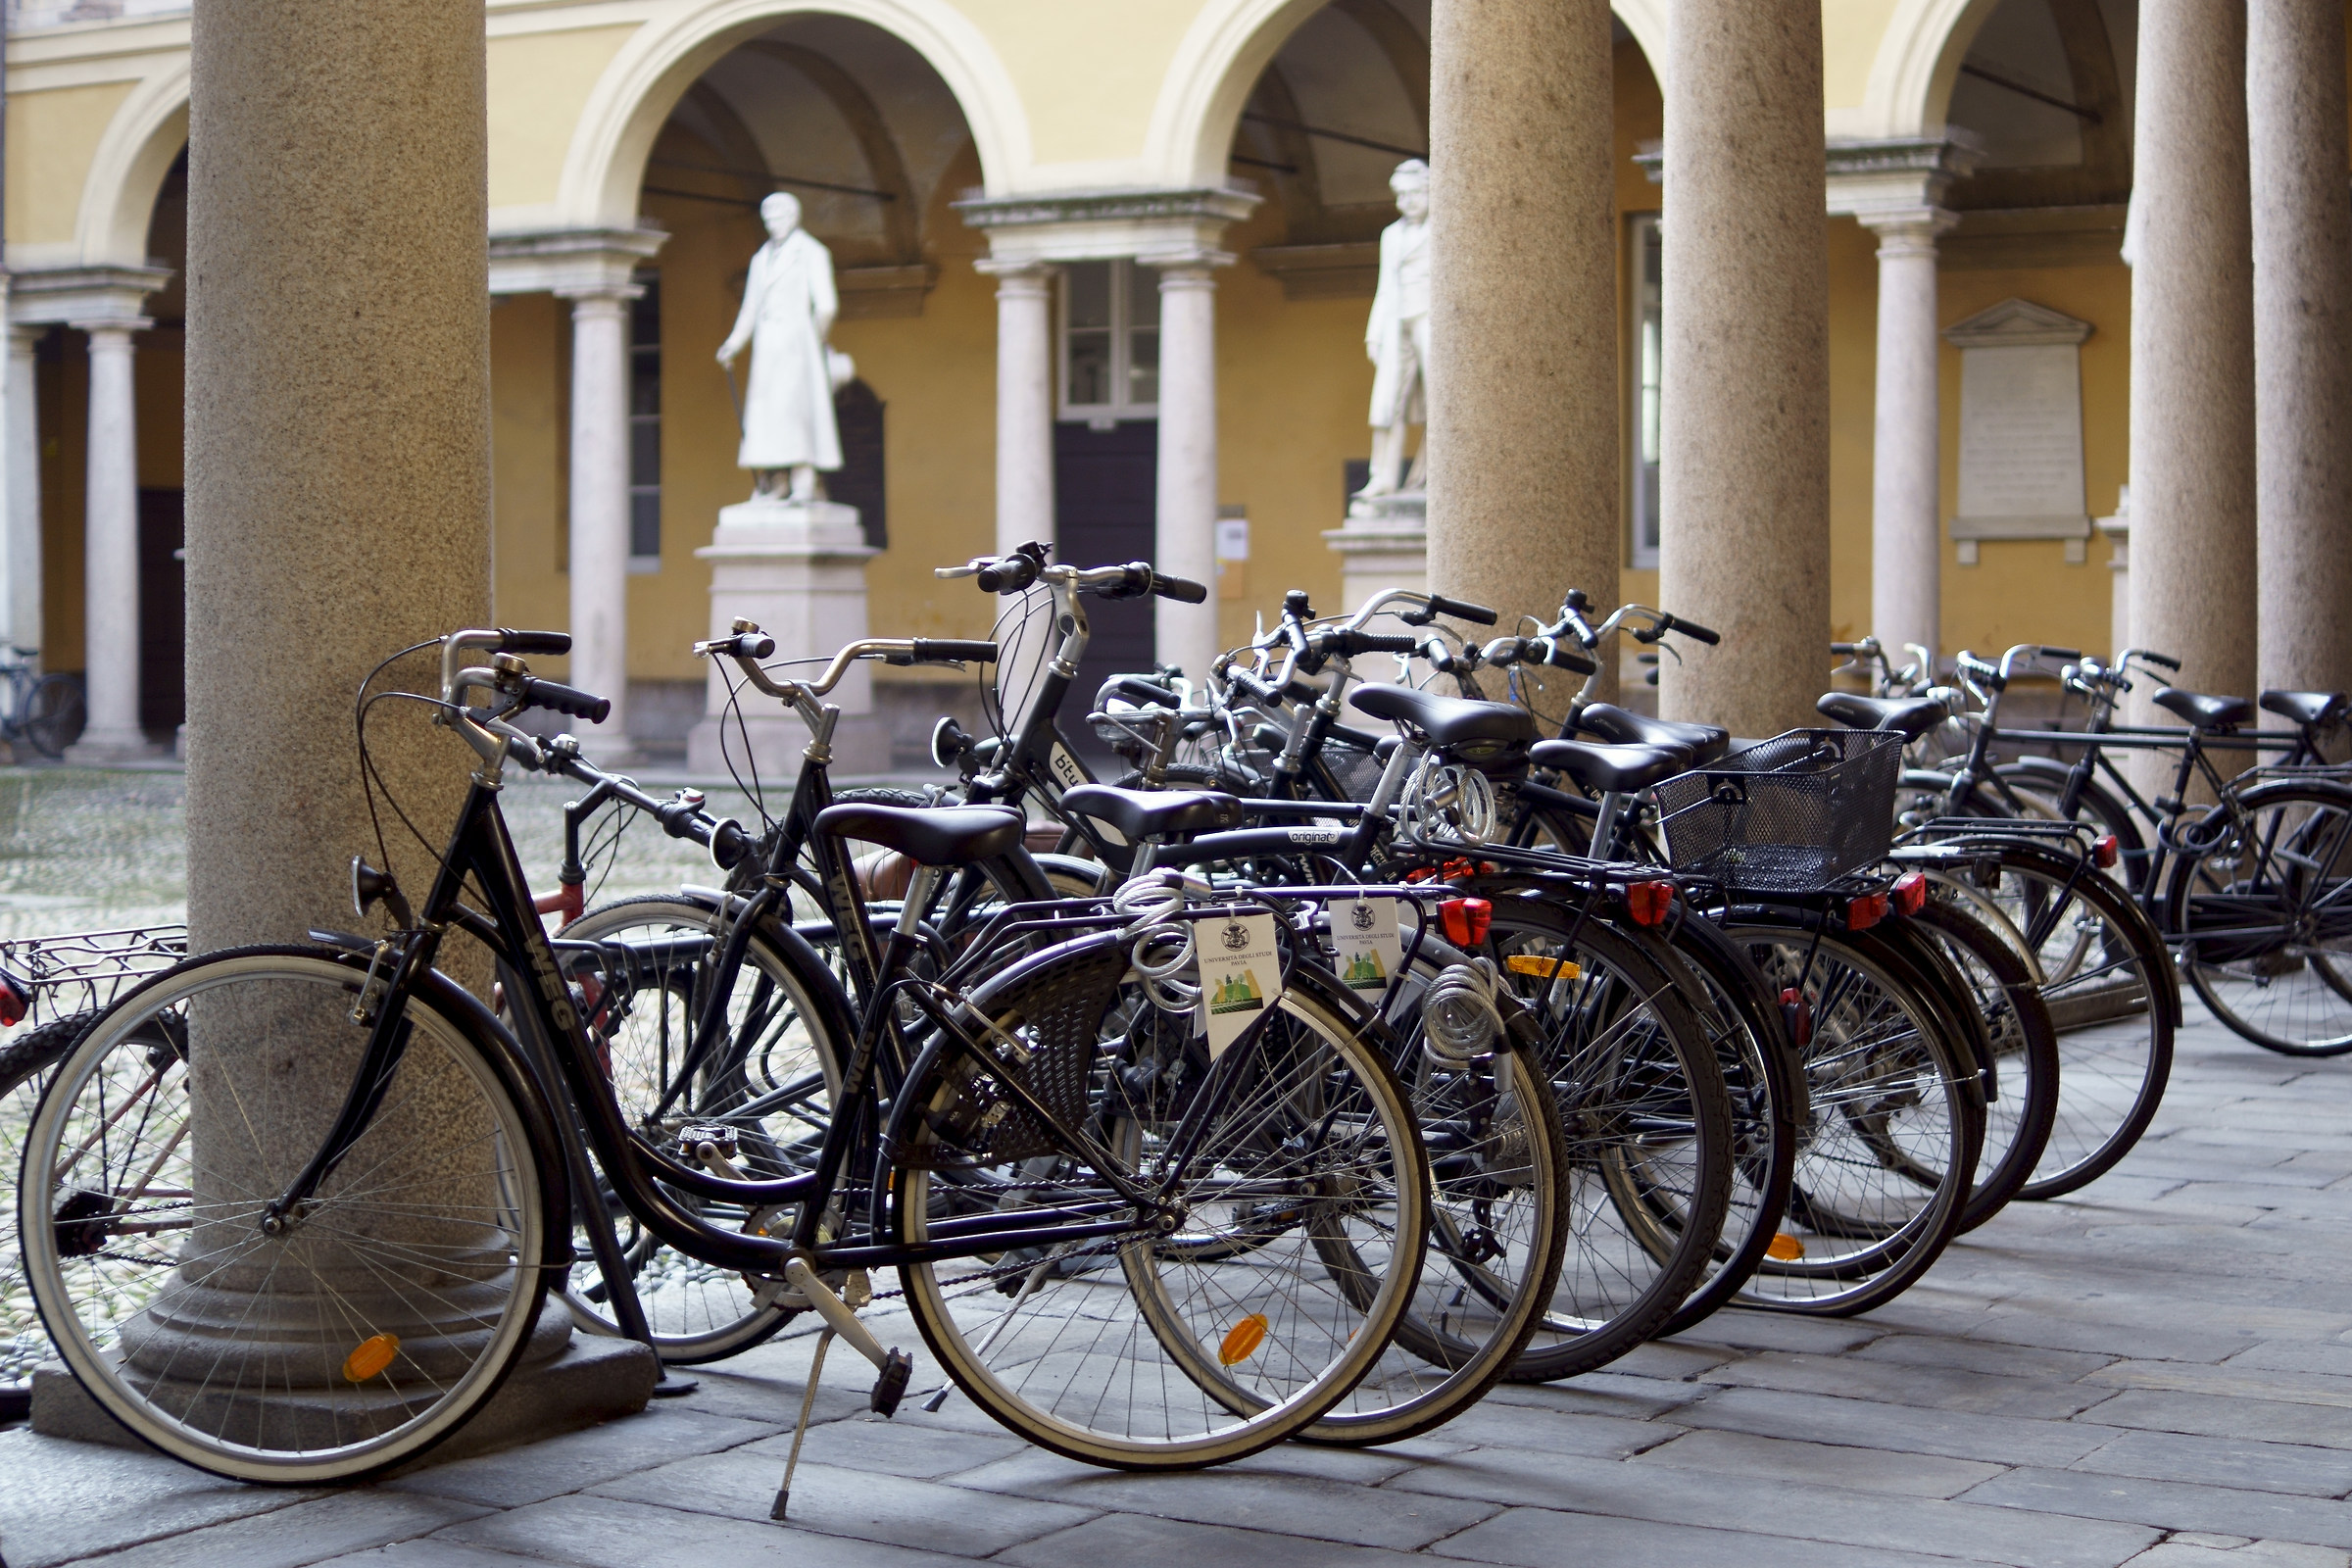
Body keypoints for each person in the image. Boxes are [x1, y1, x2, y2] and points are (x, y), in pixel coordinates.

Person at [716, 191, 847, 503]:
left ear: (792, 217)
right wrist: (733, 343)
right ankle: (777, 480)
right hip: (768, 348)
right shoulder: (761, 259)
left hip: (798, 345)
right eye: (767, 220)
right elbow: (750, 307)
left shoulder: (811, 252)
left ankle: (803, 478)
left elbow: (826, 305)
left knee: (796, 411)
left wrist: (813, 340)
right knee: (767, 414)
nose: (771, 224)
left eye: (777, 218)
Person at [1355, 159, 1432, 504]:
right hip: (1397, 321)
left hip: (1430, 318)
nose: (1408, 201)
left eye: (1415, 193)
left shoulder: (1444, 228)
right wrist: (1374, 332)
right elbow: (1385, 285)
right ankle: (1382, 478)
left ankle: (1432, 475)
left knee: (1439, 400)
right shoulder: (1392, 234)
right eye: (1402, 195)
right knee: (1387, 403)